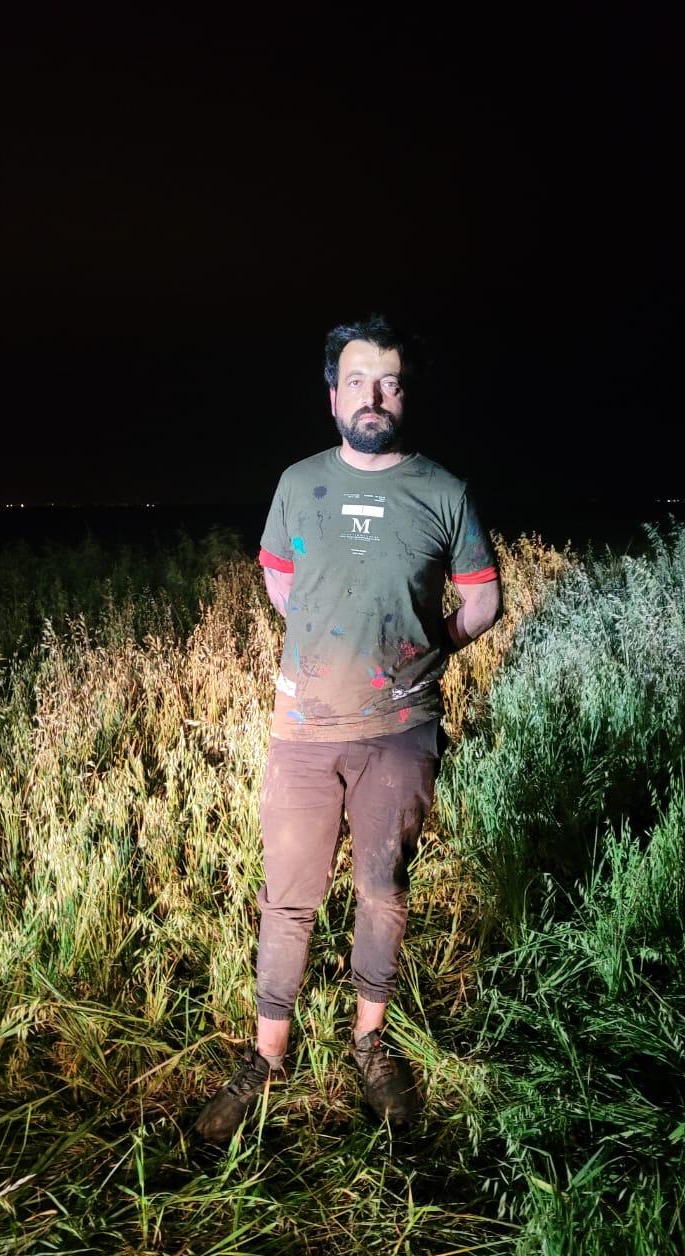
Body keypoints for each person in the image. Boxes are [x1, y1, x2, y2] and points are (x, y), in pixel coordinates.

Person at [196, 315, 502, 1142]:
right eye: (358, 381)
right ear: (333, 396)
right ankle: (266, 1055)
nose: (373, 396)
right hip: (303, 731)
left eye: (389, 383)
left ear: (405, 396)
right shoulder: (299, 483)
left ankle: (369, 1043)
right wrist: (325, 647)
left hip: (400, 729)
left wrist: (427, 645)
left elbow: (483, 600)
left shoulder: (445, 492)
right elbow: (279, 581)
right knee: (287, 898)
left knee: (382, 889)